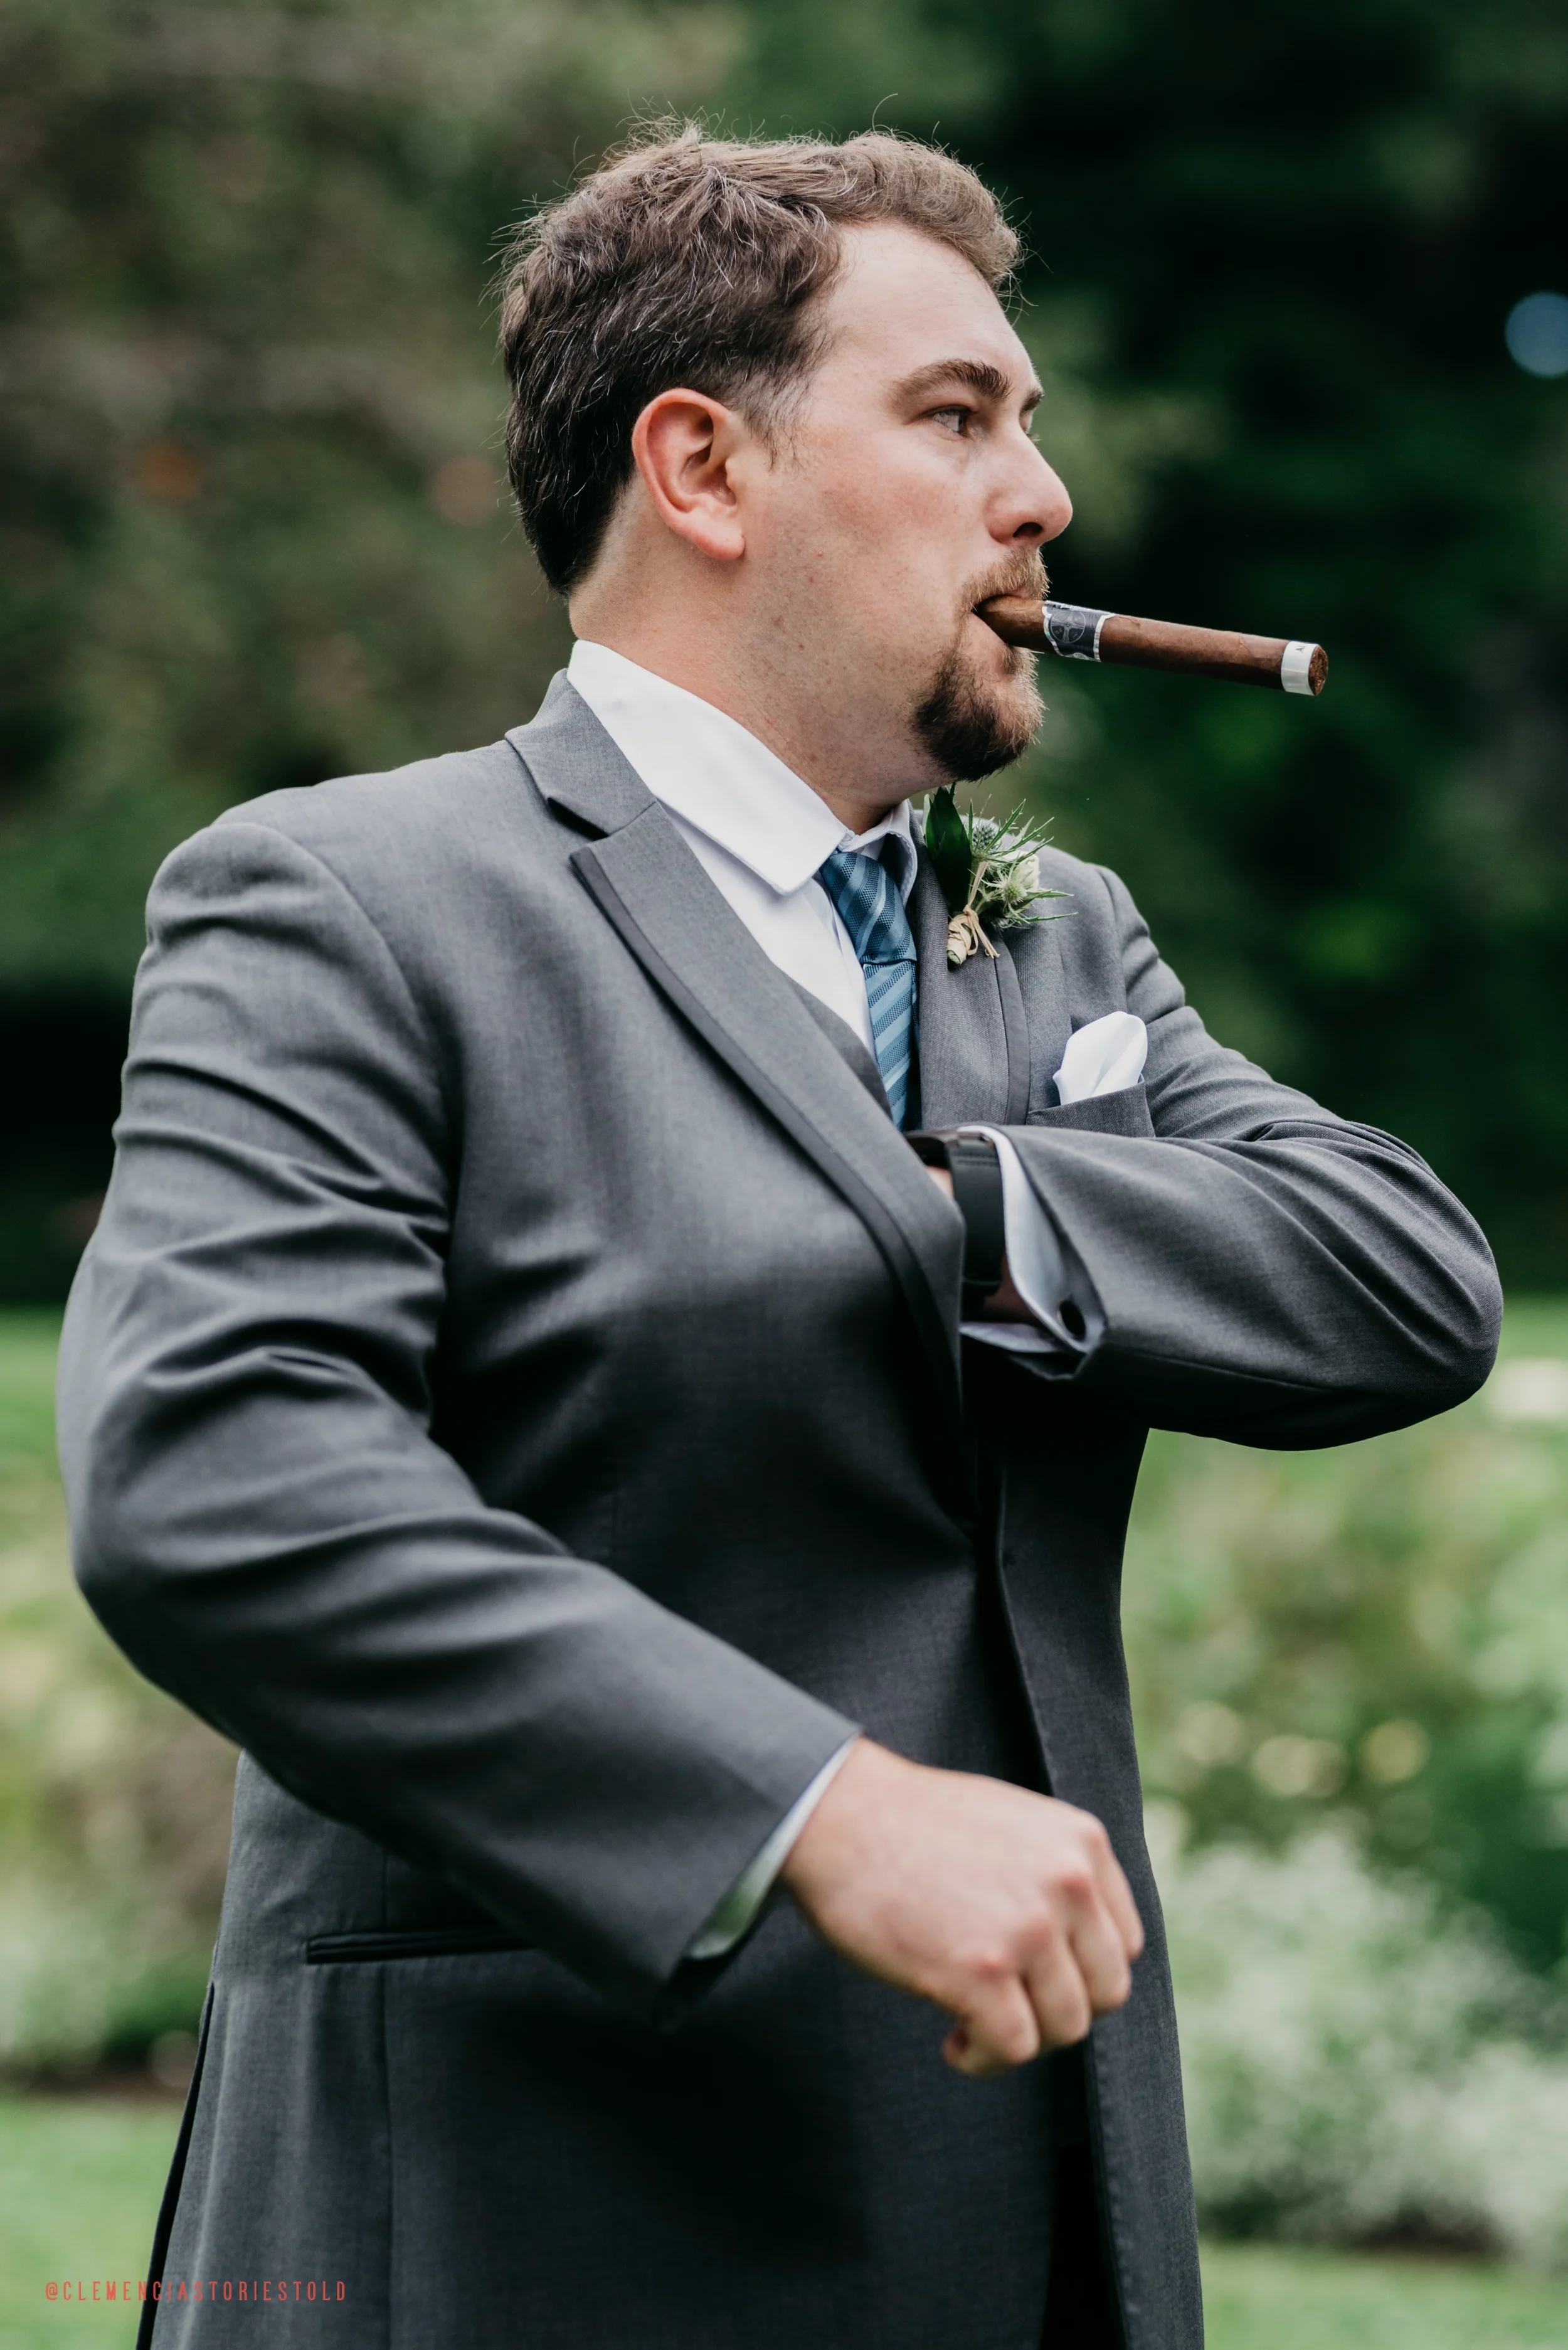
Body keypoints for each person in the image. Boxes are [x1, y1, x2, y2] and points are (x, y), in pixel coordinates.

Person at [57, 127, 1500, 2350]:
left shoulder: (1053, 938)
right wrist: (802, 1804)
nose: (1045, 496)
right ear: (704, 469)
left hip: (1018, 2218)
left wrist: (960, 1209)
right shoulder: (347, 902)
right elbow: (219, 1481)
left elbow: (1399, 1279)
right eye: (954, 416)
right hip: (511, 2215)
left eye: (1023, 419)